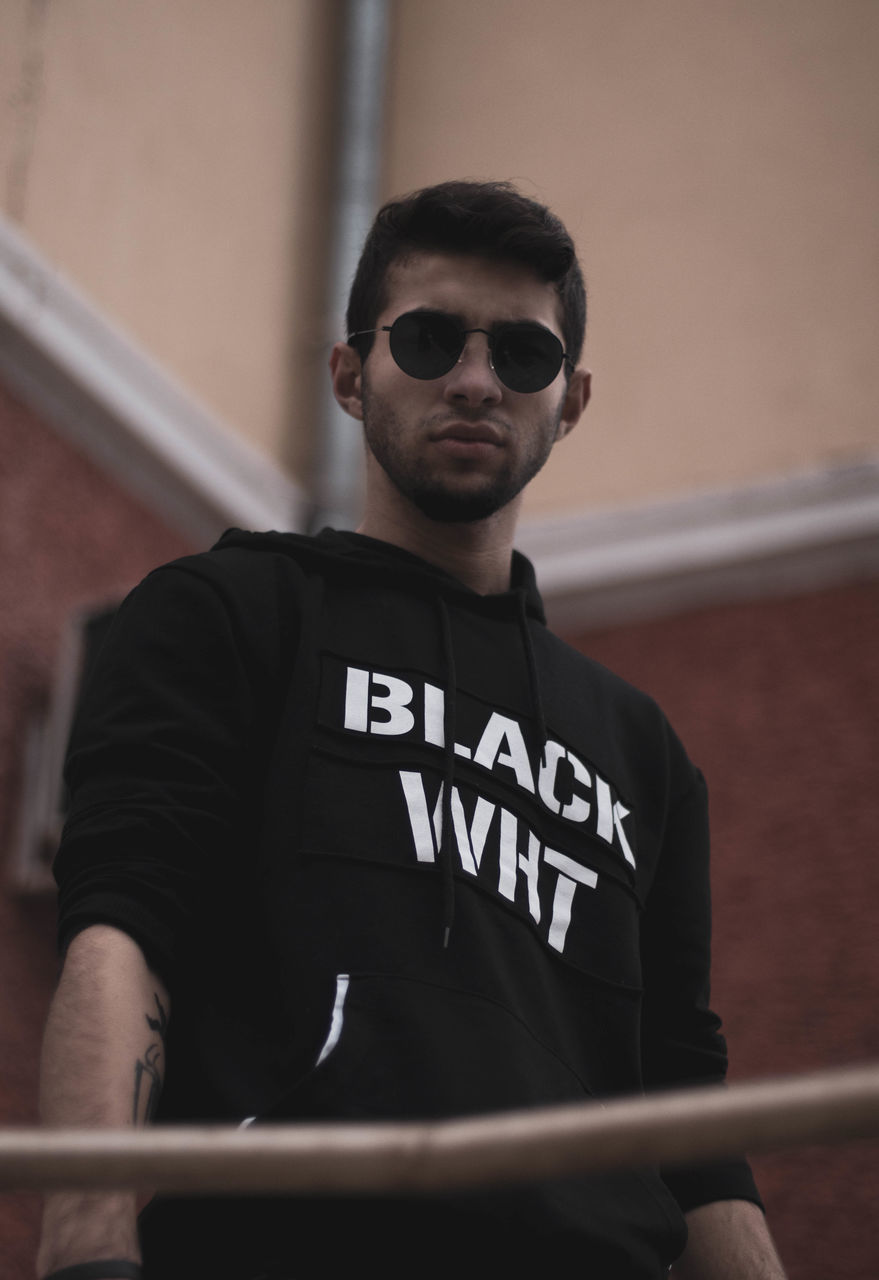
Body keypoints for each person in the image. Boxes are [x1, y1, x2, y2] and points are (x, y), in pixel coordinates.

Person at [37, 180, 787, 1280]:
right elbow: (121, 931)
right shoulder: (232, 612)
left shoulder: (644, 752)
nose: (477, 381)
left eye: (523, 356)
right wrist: (86, 1249)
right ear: (352, 373)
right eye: (431, 339)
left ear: (570, 401)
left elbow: (682, 1100)